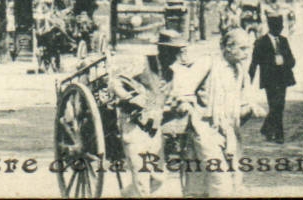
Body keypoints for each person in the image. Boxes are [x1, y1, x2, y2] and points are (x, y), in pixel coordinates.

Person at [175, 27, 262, 197]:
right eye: (242, 48)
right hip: (204, 130)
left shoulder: (241, 71)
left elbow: (243, 103)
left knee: (207, 183)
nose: (246, 53)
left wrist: (251, 108)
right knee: (220, 181)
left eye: (248, 48)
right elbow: (184, 87)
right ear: (228, 47)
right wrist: (186, 103)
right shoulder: (208, 63)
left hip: (229, 133)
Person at [110, 28, 191, 197]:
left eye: (177, 51)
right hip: (133, 125)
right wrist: (129, 98)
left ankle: (126, 195)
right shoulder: (143, 62)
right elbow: (116, 81)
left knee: (159, 178)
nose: (175, 56)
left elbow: (165, 102)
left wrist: (177, 108)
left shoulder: (170, 74)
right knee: (142, 179)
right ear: (162, 49)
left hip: (154, 129)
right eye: (172, 51)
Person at [249, 13, 296, 144]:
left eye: (281, 26)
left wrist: (284, 61)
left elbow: (292, 61)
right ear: (270, 26)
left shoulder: (284, 41)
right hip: (269, 80)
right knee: (275, 105)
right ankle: (278, 134)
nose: (280, 29)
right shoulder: (261, 42)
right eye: (277, 26)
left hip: (283, 79)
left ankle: (268, 129)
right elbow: (254, 63)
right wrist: (247, 81)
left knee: (279, 106)